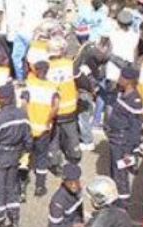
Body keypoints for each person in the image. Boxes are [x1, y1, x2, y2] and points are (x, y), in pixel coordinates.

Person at [0, 84, 31, 227]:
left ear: (4, 99)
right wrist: (23, 152)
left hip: (0, 157)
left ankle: (1, 225)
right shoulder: (23, 115)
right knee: (12, 189)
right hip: (15, 156)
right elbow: (28, 139)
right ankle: (15, 222)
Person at [106, 65, 143, 210]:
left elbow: (135, 129)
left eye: (122, 77)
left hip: (122, 143)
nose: (119, 79)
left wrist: (129, 150)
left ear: (129, 81)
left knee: (120, 174)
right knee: (114, 171)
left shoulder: (135, 100)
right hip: (115, 139)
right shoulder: (122, 93)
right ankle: (114, 199)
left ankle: (123, 204)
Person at [22, 61, 59, 197]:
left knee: (25, 155)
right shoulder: (52, 87)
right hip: (44, 129)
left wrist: (26, 120)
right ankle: (40, 186)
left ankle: (22, 186)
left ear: (36, 71)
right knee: (41, 157)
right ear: (48, 71)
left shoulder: (29, 85)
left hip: (30, 127)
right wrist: (48, 120)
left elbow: (24, 104)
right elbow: (55, 106)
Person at [47, 37, 83, 172]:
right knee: (72, 135)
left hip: (53, 111)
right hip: (69, 110)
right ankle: (75, 156)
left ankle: (54, 162)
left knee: (53, 138)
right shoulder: (70, 64)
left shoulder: (45, 67)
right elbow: (82, 81)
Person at [74, 32, 111, 152]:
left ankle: (87, 140)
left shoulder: (87, 58)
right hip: (90, 88)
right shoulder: (100, 61)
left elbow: (84, 80)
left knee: (83, 116)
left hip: (84, 90)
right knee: (86, 113)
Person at [12, 0, 50, 82]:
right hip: (26, 33)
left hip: (27, 32)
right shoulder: (43, 3)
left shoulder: (41, 3)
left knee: (20, 58)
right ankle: (25, 79)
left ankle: (22, 79)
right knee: (24, 58)